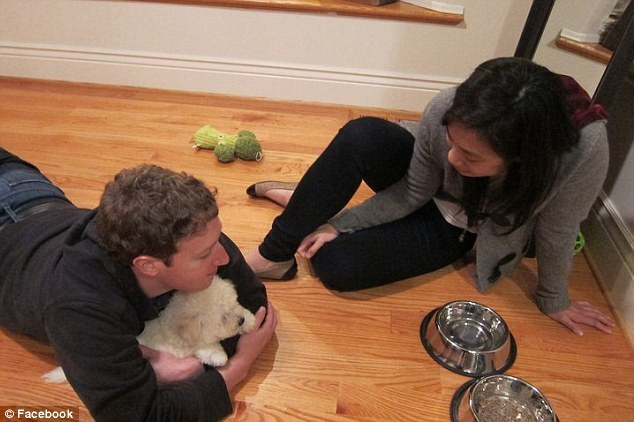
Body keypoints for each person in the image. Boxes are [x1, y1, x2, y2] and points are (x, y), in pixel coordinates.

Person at [244, 57, 615, 336]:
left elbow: (558, 231)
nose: (452, 158)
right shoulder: (450, 105)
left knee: (335, 263)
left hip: (462, 222)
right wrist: (339, 224)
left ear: (521, 158)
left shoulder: (584, 148)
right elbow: (414, 189)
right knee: (362, 135)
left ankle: (311, 200)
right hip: (422, 188)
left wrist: (554, 299)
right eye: (451, 142)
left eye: (470, 156)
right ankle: (275, 255)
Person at [0, 149, 278, 421]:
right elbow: (141, 414)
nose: (225, 256)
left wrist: (175, 363)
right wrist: (240, 364)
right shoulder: (79, 306)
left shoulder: (191, 231)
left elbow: (254, 306)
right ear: (148, 265)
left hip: (26, 188)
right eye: (205, 254)